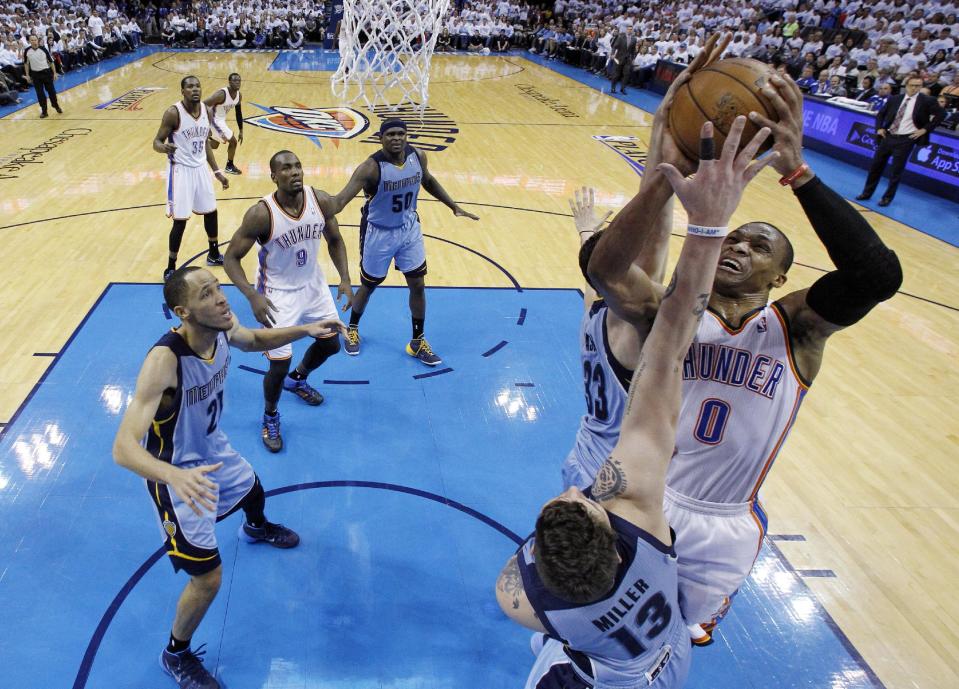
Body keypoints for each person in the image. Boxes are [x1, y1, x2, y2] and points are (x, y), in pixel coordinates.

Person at [574, 71, 903, 646]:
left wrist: (796, 172)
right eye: (734, 238)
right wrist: (662, 181)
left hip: (724, 520)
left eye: (759, 247)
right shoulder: (672, 315)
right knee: (597, 629)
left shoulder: (794, 329)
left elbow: (877, 275)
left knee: (669, 644)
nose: (739, 247)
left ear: (781, 277)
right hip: (645, 493)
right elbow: (602, 270)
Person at [496, 116, 775, 689]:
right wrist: (682, 193)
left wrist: (662, 168)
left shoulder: (600, 317)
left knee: (567, 579)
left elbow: (619, 267)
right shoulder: (632, 326)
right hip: (613, 463)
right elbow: (648, 290)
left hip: (588, 447)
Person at [112, 266, 346, 689]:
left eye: (218, 287)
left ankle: (255, 527)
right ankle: (175, 653)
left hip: (212, 447)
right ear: (183, 311)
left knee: (253, 487)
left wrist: (306, 328)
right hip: (178, 475)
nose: (221, 298)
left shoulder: (220, 327)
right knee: (208, 578)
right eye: (207, 293)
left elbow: (254, 340)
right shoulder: (164, 360)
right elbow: (123, 447)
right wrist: (174, 478)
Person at [223, 150, 353, 453]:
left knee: (332, 344)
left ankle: (300, 379)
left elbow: (335, 239)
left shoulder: (318, 201)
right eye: (285, 168)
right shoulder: (261, 214)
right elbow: (231, 258)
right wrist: (252, 295)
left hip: (313, 285)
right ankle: (270, 415)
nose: (294, 172)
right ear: (273, 176)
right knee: (278, 365)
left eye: (297, 166)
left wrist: (344, 278)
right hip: (277, 294)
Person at [328, 119, 479, 366]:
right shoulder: (369, 168)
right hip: (379, 232)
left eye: (401, 134)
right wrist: (314, 204)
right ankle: (352, 327)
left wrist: (453, 206)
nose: (396, 138)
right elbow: (340, 201)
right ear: (381, 138)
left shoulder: (418, 156)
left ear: (407, 136)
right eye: (391, 134)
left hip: (409, 229)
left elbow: (427, 180)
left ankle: (418, 340)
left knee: (417, 285)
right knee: (368, 286)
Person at [153, 75, 230, 283]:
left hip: (200, 168)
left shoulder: (205, 110)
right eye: (189, 86)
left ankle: (213, 254)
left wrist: (217, 172)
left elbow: (205, 143)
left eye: (197, 86)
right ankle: (170, 266)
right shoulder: (173, 113)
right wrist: (164, 148)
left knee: (211, 212)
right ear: (182, 91)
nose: (195, 89)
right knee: (180, 221)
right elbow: (156, 142)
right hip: (180, 171)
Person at [856, 75, 946, 206]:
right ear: (906, 86)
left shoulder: (927, 100)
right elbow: (881, 114)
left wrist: (925, 129)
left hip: (906, 139)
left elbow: (942, 114)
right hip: (888, 136)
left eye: (918, 86)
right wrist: (879, 128)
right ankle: (866, 192)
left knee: (895, 171)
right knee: (876, 166)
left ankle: (887, 197)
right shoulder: (895, 99)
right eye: (912, 85)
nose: (915, 88)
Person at [203, 72, 244, 175]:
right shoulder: (221, 94)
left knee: (215, 144)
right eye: (235, 80)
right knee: (233, 142)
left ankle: (194, 146)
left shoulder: (239, 95)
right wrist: (206, 125)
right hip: (214, 121)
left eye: (239, 80)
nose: (238, 82)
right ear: (229, 82)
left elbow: (238, 113)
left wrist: (241, 130)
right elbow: (203, 105)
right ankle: (229, 166)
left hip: (221, 120)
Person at [23, 34, 61, 118]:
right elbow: (26, 63)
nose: (34, 41)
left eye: (35, 40)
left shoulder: (43, 49)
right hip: (35, 75)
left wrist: (54, 73)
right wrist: (27, 75)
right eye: (32, 40)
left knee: (52, 92)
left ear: (38, 40)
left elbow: (51, 62)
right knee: (40, 94)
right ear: (29, 41)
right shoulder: (27, 51)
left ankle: (56, 106)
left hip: (46, 73)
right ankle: (44, 111)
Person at [609, 25, 635, 94]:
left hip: (628, 60)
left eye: (631, 29)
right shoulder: (620, 37)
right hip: (619, 58)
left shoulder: (634, 39)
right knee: (616, 74)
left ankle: (623, 88)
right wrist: (612, 54)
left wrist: (632, 58)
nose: (630, 30)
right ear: (626, 30)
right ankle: (613, 88)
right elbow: (614, 47)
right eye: (629, 29)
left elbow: (633, 50)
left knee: (626, 74)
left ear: (632, 31)